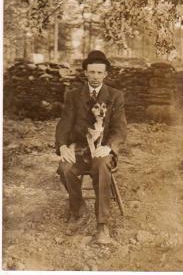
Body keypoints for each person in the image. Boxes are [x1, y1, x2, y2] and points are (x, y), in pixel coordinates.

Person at [55, 50, 127, 244]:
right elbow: (64, 123)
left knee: (102, 165)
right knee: (65, 167)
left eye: (99, 73)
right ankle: (78, 211)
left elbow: (120, 129)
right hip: (79, 148)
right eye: (92, 72)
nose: (95, 77)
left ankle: (102, 225)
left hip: (103, 150)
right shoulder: (73, 95)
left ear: (105, 74)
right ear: (85, 72)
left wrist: (110, 146)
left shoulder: (115, 95)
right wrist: (63, 146)